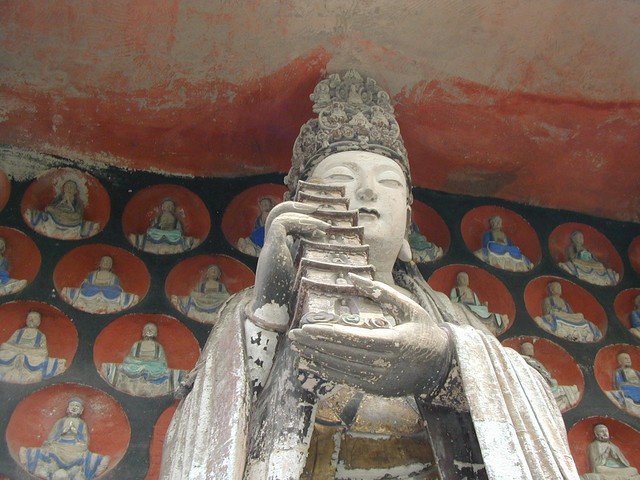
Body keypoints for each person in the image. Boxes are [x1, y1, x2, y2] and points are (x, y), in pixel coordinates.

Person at [161, 70, 579, 479]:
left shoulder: (452, 319)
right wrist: (269, 310)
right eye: (342, 178)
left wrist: (446, 362)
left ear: (408, 221)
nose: (367, 191)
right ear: (301, 206)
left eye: (388, 182)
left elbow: (536, 399)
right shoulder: (248, 311)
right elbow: (211, 434)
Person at [19, 398, 110, 480]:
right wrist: (63, 431)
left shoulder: (82, 424)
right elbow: (52, 436)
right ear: (68, 408)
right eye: (72, 405)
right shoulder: (61, 421)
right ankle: (29, 458)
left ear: (81, 410)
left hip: (74, 446)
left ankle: (96, 465)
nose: (74, 408)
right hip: (59, 444)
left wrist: (76, 433)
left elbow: (85, 440)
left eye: (77, 406)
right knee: (47, 450)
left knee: (84, 453)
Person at [101, 322, 185, 397]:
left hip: (153, 365)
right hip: (138, 364)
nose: (149, 330)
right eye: (147, 328)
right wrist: (138, 361)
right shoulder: (137, 344)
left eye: (152, 329)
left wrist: (151, 362)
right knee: (127, 363)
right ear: (143, 332)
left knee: (160, 366)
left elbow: (162, 362)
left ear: (155, 333)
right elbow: (130, 357)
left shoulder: (158, 346)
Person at [0, 311, 66, 384]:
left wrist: (28, 350)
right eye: (30, 317)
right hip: (16, 351)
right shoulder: (18, 332)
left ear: (38, 322)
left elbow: (44, 351)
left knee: (42, 358)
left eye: (35, 318)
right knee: (3, 348)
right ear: (26, 320)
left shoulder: (41, 335)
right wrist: (19, 349)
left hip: (31, 353)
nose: (32, 320)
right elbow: (6, 345)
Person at [61, 255, 139, 314]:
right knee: (84, 288)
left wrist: (105, 286)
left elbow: (116, 287)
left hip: (108, 291)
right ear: (100, 264)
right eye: (104, 261)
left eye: (109, 262)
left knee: (116, 291)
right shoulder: (92, 274)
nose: (106, 263)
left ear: (111, 266)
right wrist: (87, 283)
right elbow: (86, 285)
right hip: (92, 290)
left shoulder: (114, 276)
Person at [26, 178, 100, 239]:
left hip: (71, 222)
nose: (69, 189)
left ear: (75, 191)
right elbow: (49, 208)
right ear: (64, 189)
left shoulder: (77, 203)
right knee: (32, 214)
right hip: (54, 218)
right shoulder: (59, 199)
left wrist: (64, 213)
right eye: (67, 186)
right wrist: (56, 210)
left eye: (72, 187)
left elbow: (78, 215)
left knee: (90, 226)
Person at [519, 342, 580, 411]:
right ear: (523, 350)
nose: (530, 350)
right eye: (527, 348)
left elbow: (545, 373)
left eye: (531, 348)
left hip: (546, 382)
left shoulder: (534, 361)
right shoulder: (523, 360)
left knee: (569, 390)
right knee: (566, 390)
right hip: (537, 385)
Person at [534, 281, 602, 343]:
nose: (559, 289)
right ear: (552, 290)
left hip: (566, 316)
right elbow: (547, 312)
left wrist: (570, 315)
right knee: (552, 315)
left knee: (580, 315)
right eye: (556, 287)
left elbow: (571, 313)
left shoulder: (563, 301)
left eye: (560, 287)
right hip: (558, 315)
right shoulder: (548, 300)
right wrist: (556, 311)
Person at [129, 198, 199, 254]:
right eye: (166, 206)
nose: (168, 208)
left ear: (173, 208)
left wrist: (176, 231)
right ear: (163, 208)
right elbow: (152, 228)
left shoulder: (176, 220)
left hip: (172, 234)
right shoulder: (158, 218)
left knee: (177, 234)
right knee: (151, 231)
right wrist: (157, 225)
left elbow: (180, 231)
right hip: (158, 233)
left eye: (170, 207)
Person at [449, 271, 508, 335]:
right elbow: (452, 301)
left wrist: (483, 305)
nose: (465, 280)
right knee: (464, 308)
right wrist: (461, 298)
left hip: (474, 307)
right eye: (462, 278)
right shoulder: (456, 290)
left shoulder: (472, 292)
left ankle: (495, 321)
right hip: (464, 306)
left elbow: (477, 304)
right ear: (458, 280)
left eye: (466, 278)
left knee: (484, 311)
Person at [607, 352, 640, 417]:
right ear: (620, 361)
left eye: (629, 358)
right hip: (629, 390)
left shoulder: (637, 372)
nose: (628, 360)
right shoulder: (619, 372)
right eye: (625, 358)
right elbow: (619, 385)